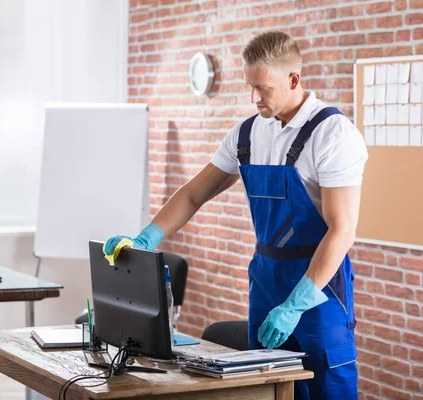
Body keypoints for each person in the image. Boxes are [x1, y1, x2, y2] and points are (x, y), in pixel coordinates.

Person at [104, 29, 367, 400]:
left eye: (263, 88)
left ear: (294, 79)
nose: (254, 98)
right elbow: (195, 193)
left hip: (316, 290)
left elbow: (342, 231)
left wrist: (295, 304)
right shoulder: (246, 133)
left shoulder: (333, 134)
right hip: (265, 279)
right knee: (262, 389)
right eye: (250, 86)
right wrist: (146, 237)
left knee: (326, 387)